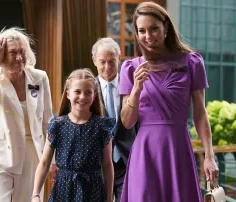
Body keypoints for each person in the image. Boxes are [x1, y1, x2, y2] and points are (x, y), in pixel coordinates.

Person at [118, 2, 219, 202]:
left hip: (178, 149)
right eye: (142, 31)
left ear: (165, 28)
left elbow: (199, 113)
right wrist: (137, 89)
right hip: (145, 154)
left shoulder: (192, 62)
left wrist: (209, 155)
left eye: (154, 28)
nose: (148, 36)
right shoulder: (130, 68)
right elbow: (127, 122)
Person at [0, 27, 56, 202]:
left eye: (22, 51)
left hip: (32, 154)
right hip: (0, 153)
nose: (19, 57)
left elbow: (48, 121)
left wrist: (53, 160)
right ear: (2, 55)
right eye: (13, 52)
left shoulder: (39, 77)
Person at [31, 69, 114, 202]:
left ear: (94, 95)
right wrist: (35, 194)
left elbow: (107, 165)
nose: (82, 97)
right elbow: (45, 162)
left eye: (88, 92)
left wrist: (109, 198)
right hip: (63, 190)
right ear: (68, 94)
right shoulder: (57, 125)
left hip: (93, 190)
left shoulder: (102, 127)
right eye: (77, 92)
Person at [91, 38, 136, 202]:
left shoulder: (131, 87)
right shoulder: (87, 90)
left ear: (119, 58)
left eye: (112, 61)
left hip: (127, 161)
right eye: (102, 62)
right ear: (94, 60)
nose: (107, 67)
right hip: (98, 164)